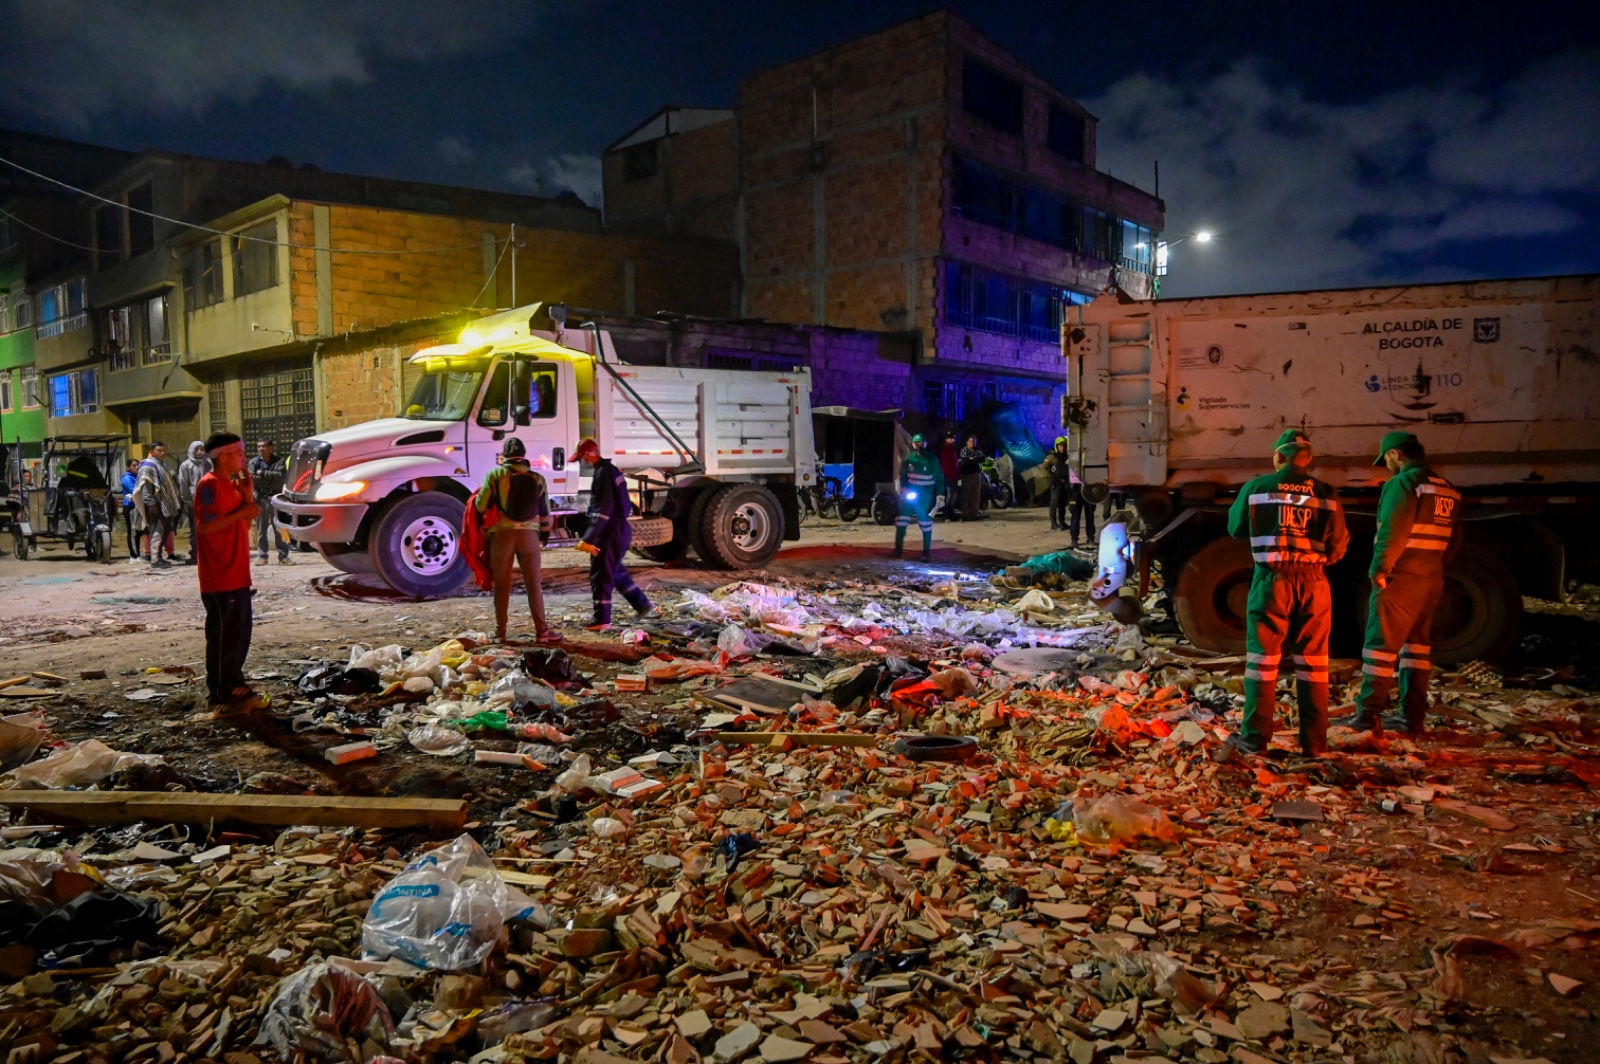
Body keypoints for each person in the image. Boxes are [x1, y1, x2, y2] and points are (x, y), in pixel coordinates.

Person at [1225, 429, 1349, 757]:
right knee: (1314, 664)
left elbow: (1236, 528)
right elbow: (1337, 549)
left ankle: (1254, 740)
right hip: (1315, 583)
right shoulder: (1326, 492)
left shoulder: (1256, 488)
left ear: (1279, 457)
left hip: (1272, 581)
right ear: (1308, 459)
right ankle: (1315, 743)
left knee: (1262, 664)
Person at [1341, 432, 1461, 737]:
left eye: (1386, 461)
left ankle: (1368, 716)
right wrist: (1433, 567)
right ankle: (1411, 719)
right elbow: (1456, 539)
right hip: (1431, 578)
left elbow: (1392, 530)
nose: (1387, 468)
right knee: (1417, 649)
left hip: (1402, 578)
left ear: (1396, 454)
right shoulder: (1447, 489)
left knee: (1379, 648)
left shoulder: (1403, 484)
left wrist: (1379, 569)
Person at [193, 432, 263, 709]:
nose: (244, 458)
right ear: (223, 456)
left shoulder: (230, 486)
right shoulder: (209, 485)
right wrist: (242, 512)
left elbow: (240, 527)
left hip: (236, 574)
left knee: (239, 633)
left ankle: (234, 682)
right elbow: (206, 526)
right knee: (224, 636)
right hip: (219, 577)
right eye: (240, 453)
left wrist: (246, 497)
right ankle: (221, 691)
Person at [475, 438, 557, 644]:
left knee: (502, 586)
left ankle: (500, 633)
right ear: (524, 455)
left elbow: (480, 506)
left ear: (505, 455)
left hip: (502, 536)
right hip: (529, 536)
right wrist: (544, 535)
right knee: (534, 585)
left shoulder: (495, 476)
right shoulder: (537, 478)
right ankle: (542, 632)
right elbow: (546, 512)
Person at [573, 437, 653, 631]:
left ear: (588, 455)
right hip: (618, 530)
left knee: (601, 574)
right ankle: (642, 604)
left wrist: (589, 539)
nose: (580, 463)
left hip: (610, 532)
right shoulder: (609, 471)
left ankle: (602, 620)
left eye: (580, 459)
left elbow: (603, 510)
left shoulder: (603, 474)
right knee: (615, 571)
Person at [894, 433, 944, 562]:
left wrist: (940, 494)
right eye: (916, 443)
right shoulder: (909, 459)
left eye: (921, 443)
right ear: (912, 444)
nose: (919, 445)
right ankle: (898, 549)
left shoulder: (932, 459)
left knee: (925, 522)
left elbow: (939, 477)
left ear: (925, 444)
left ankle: (926, 552)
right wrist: (904, 489)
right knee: (902, 520)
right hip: (911, 494)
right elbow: (903, 476)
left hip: (925, 496)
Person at [133, 442, 180, 568]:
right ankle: (155, 559)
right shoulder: (148, 466)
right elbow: (146, 487)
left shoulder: (162, 465)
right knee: (157, 531)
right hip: (156, 505)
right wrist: (151, 503)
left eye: (164, 450)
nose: (163, 453)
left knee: (164, 532)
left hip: (165, 505)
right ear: (152, 451)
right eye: (159, 450)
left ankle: (159, 557)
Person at [247, 440, 291, 565]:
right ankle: (262, 556)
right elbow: (252, 478)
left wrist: (264, 473)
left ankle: (283, 556)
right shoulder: (254, 462)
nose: (261, 449)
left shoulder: (279, 461)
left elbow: (281, 477)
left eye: (264, 446)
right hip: (262, 499)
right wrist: (270, 477)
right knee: (262, 529)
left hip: (277, 499)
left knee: (280, 528)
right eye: (259, 446)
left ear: (271, 447)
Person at [176, 440, 211, 566]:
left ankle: (208, 554)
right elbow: (183, 484)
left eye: (202, 448)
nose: (200, 451)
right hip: (194, 501)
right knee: (195, 529)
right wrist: (187, 500)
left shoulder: (208, 463)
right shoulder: (186, 465)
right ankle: (195, 554)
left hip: (209, 500)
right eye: (197, 449)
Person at [1044, 437, 1074, 532]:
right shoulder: (1052, 457)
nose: (1062, 448)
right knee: (1054, 502)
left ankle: (1062, 522)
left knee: (1063, 503)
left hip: (1065, 483)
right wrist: (1051, 478)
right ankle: (1053, 523)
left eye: (1064, 446)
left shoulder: (1067, 457)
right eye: (1060, 446)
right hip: (1056, 483)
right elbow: (1044, 468)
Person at [958, 435, 985, 520]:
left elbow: (982, 458)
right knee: (965, 494)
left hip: (976, 474)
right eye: (970, 441)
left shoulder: (978, 450)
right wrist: (971, 459)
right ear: (967, 442)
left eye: (974, 441)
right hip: (966, 474)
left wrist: (973, 459)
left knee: (976, 495)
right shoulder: (964, 450)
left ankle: (975, 513)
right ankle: (965, 514)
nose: (972, 443)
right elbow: (964, 460)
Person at [120, 459, 140, 559]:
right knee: (132, 532)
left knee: (138, 531)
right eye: (134, 465)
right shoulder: (127, 478)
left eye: (138, 465)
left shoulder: (137, 477)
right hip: (130, 507)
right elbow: (135, 491)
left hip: (138, 507)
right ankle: (133, 555)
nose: (137, 467)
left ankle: (138, 554)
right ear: (128, 467)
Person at [937, 433, 960, 519]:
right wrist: (948, 475)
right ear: (947, 440)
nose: (953, 440)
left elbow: (955, 464)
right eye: (950, 439)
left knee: (953, 496)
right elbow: (945, 465)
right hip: (949, 476)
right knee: (950, 495)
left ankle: (950, 512)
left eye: (953, 438)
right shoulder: (946, 450)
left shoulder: (952, 450)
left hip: (954, 476)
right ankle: (947, 513)